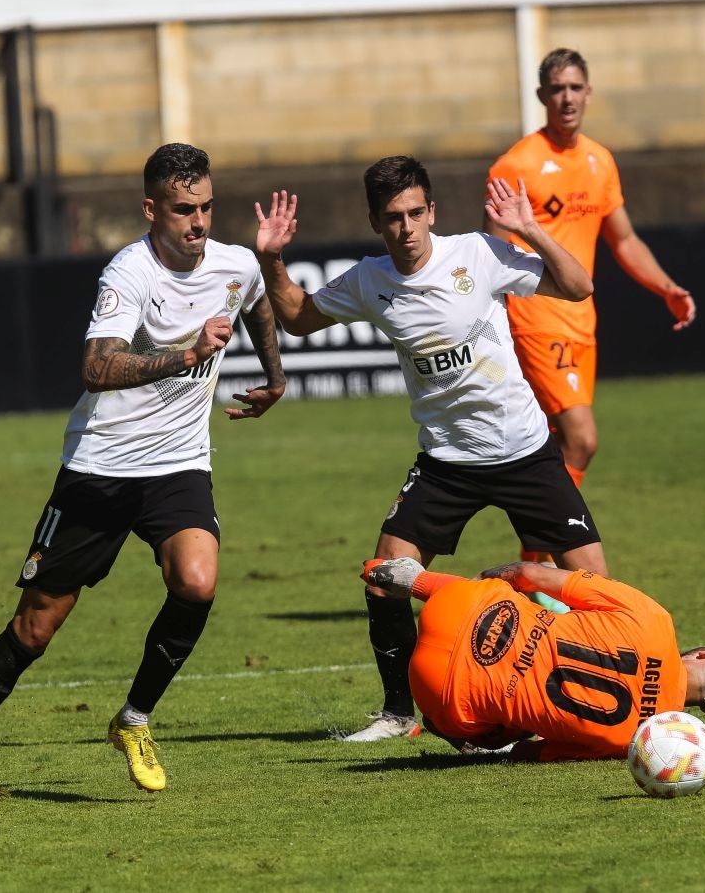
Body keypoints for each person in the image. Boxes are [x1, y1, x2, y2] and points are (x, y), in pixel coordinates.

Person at [0, 143, 287, 809]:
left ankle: (134, 720)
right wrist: (183, 357)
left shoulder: (234, 263)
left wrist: (275, 376)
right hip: (100, 470)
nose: (198, 222)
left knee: (197, 581)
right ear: (151, 209)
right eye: (183, 210)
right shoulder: (129, 273)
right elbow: (96, 367)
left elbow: (257, 299)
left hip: (178, 464)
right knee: (35, 629)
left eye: (206, 207)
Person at [254, 155, 608, 742]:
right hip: (447, 463)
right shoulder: (369, 281)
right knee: (383, 577)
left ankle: (592, 703)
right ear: (375, 222)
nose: (407, 228)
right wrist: (271, 258)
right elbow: (295, 317)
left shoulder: (477, 254)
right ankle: (399, 714)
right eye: (394, 217)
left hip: (525, 453)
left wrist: (531, 228)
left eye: (416, 213)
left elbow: (578, 286)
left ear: (432, 212)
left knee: (599, 590)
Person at [486, 48, 696, 560]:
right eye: (557, 88)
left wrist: (666, 287)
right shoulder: (517, 164)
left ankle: (531, 566)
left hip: (582, 320)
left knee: (552, 444)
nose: (567, 98)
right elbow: (493, 255)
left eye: (575, 87)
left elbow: (624, 240)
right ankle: (539, 565)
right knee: (582, 439)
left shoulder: (600, 161)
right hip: (537, 317)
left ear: (589, 93)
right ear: (542, 96)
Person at [360, 557, 705, 760]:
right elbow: (531, 753)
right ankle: (444, 722)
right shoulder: (633, 742)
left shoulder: (655, 620)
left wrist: (482, 584)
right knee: (513, 724)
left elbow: (533, 573)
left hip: (460, 607)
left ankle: (415, 580)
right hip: (441, 691)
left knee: (506, 598)